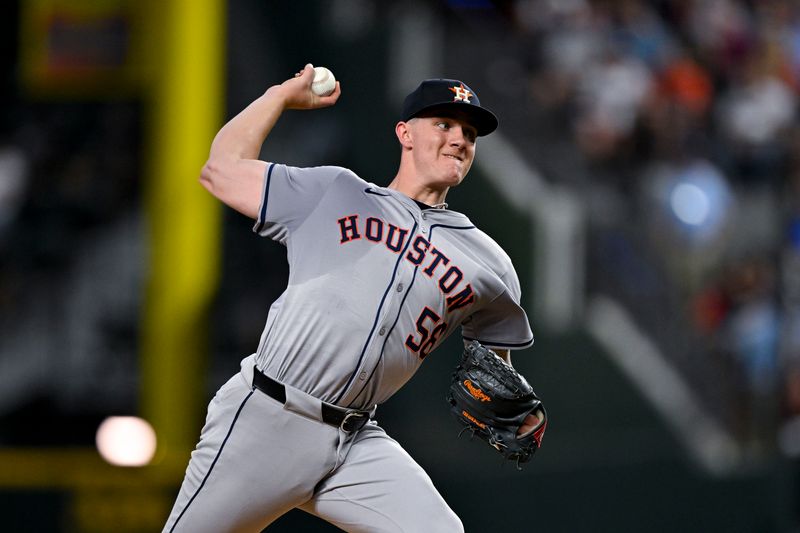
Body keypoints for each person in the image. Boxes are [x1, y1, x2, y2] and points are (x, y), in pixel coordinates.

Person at [163, 64, 537, 532]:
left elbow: (493, 366)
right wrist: (279, 95)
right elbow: (221, 169)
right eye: (444, 125)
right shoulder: (335, 191)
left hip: (356, 441)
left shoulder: (490, 264)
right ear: (405, 133)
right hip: (267, 417)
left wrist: (506, 403)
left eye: (469, 132)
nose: (460, 139)